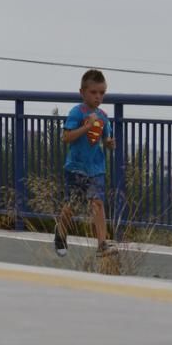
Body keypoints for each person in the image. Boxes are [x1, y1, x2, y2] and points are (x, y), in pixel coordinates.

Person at [54, 69, 117, 258]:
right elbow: (66, 137)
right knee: (72, 204)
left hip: (96, 168)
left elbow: (105, 139)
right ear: (82, 92)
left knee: (98, 202)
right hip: (76, 167)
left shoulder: (104, 116)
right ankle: (60, 233)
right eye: (93, 92)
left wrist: (109, 144)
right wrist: (86, 126)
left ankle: (102, 244)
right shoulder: (77, 112)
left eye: (102, 93)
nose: (98, 97)